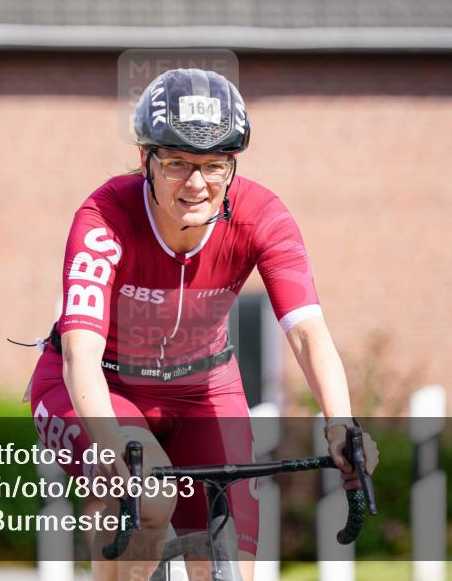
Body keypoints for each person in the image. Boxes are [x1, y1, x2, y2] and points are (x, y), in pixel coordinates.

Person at [25, 68, 379, 581]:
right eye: (176, 164)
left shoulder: (261, 216)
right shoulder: (104, 216)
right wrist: (108, 447)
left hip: (203, 385)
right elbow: (81, 352)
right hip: (99, 382)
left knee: (230, 567)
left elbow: (306, 331)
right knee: (149, 498)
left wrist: (341, 424)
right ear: (146, 160)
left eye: (215, 166)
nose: (196, 184)